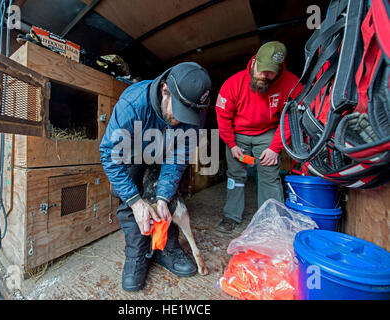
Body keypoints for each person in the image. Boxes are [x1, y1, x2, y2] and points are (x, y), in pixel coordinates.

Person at [99, 62, 212, 291]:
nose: (181, 120)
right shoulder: (133, 103)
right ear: (164, 91)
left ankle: (165, 248)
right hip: (132, 150)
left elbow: (179, 157)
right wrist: (134, 200)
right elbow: (110, 155)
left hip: (165, 152)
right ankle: (137, 253)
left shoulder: (195, 112)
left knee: (169, 192)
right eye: (179, 112)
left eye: (188, 115)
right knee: (132, 185)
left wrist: (163, 196)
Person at [215, 41, 303, 231]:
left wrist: (275, 148)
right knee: (236, 174)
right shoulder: (233, 83)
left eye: (270, 72)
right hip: (237, 134)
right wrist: (231, 144)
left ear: (280, 69)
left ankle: (272, 220)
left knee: (269, 175)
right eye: (261, 69)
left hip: (268, 132)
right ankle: (231, 216)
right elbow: (222, 116)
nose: (264, 75)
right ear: (254, 61)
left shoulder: (291, 84)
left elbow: (291, 120)